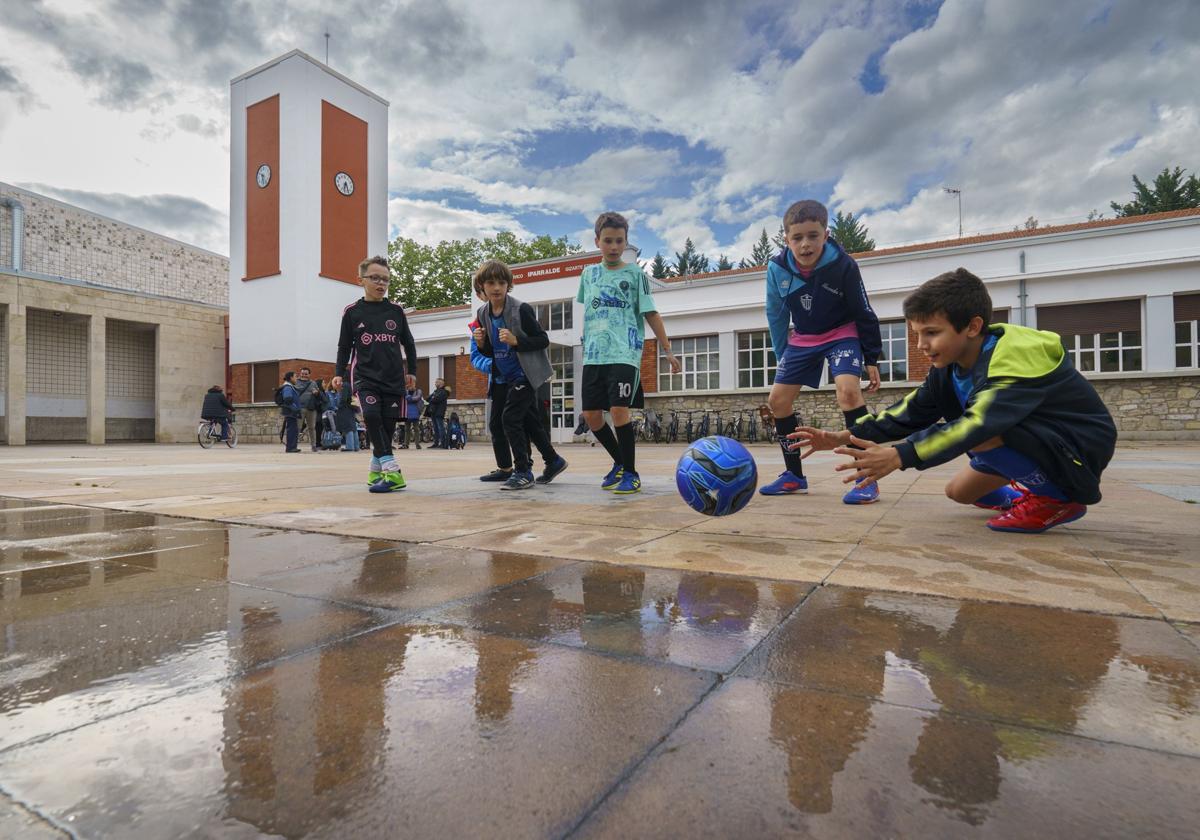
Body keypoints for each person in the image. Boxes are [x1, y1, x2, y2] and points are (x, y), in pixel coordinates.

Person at [788, 268, 1117, 534]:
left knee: (979, 433)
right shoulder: (949, 368)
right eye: (916, 333)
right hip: (1031, 440)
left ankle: (1057, 498)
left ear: (972, 326)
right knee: (959, 493)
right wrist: (841, 437)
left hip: (1077, 446)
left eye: (931, 333)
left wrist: (900, 455)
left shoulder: (1014, 358)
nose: (920, 345)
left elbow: (977, 424)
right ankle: (1031, 489)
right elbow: (908, 412)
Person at [759, 199, 884, 504]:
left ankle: (866, 479)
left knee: (848, 393)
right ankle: (794, 476)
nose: (805, 245)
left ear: (825, 234)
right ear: (786, 239)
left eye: (813, 236)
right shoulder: (777, 268)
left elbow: (864, 310)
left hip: (843, 332)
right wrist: (782, 356)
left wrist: (871, 357)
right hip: (803, 338)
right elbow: (775, 315)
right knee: (778, 400)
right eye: (797, 238)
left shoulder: (844, 265)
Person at [577, 211, 679, 494]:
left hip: (624, 353)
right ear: (597, 241)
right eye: (607, 240)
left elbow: (651, 314)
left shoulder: (635, 275)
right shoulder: (588, 274)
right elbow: (589, 310)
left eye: (619, 241)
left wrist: (667, 351)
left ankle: (631, 474)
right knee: (591, 415)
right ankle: (619, 462)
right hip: (594, 356)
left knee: (619, 410)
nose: (613, 246)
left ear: (626, 242)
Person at [472, 259, 568, 490]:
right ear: (482, 287)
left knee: (511, 419)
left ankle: (523, 470)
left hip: (524, 375)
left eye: (502, 282)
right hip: (501, 377)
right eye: (491, 283)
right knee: (525, 422)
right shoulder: (483, 312)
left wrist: (517, 341)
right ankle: (553, 460)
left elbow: (542, 339)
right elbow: (490, 351)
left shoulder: (520, 309)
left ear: (508, 285)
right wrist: (482, 342)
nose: (496, 287)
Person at [331, 255, 418, 492]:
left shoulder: (396, 311)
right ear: (361, 280)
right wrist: (339, 372)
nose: (381, 284)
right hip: (365, 377)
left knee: (387, 428)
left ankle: (375, 471)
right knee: (371, 416)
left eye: (386, 280)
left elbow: (409, 344)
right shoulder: (352, 312)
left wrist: (412, 372)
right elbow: (344, 346)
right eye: (375, 278)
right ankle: (394, 473)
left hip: (393, 378)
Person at [295, 367, 325, 452]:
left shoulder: (313, 383)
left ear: (309, 374)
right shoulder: (296, 382)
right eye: (302, 373)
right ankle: (294, 445)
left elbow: (319, 395)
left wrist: (316, 393)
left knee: (312, 427)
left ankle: (313, 445)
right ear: (300, 373)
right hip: (299, 408)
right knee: (298, 427)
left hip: (311, 409)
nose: (304, 375)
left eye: (306, 374)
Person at [278, 371, 301, 453]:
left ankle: (292, 447)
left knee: (293, 429)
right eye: (295, 376)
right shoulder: (288, 387)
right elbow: (287, 399)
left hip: (291, 411)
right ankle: (290, 448)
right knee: (292, 429)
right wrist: (295, 408)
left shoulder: (289, 386)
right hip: (290, 412)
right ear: (291, 378)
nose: (297, 378)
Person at [401, 375, 424, 449]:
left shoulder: (418, 391)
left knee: (416, 428)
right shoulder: (405, 391)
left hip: (415, 411)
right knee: (406, 429)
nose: (411, 385)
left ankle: (417, 444)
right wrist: (408, 398)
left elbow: (418, 398)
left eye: (412, 383)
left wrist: (409, 398)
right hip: (407, 412)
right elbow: (403, 398)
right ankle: (406, 444)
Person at [336, 382, 360, 451]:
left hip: (345, 408)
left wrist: (339, 406)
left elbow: (343, 398)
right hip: (352, 407)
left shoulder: (345, 385)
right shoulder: (354, 384)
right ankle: (356, 446)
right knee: (353, 427)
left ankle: (350, 447)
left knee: (348, 428)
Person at [427, 377, 450, 448]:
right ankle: (436, 443)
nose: (435, 383)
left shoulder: (444, 392)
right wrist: (433, 397)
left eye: (437, 382)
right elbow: (428, 398)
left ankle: (443, 443)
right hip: (433, 412)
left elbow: (436, 399)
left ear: (441, 383)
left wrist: (433, 398)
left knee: (440, 428)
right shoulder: (436, 391)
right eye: (435, 382)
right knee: (435, 428)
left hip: (439, 412)